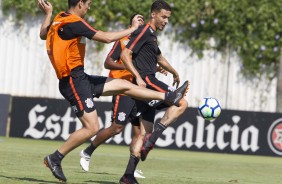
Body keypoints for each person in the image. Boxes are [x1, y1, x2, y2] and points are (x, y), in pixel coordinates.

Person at [37, 0, 189, 182]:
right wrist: (133, 29)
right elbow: (107, 38)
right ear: (79, 4)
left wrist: (48, 14)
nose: (89, 8)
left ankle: (167, 96)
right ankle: (56, 157)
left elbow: (43, 35)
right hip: (73, 81)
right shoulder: (74, 22)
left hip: (81, 77)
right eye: (88, 4)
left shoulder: (59, 18)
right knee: (92, 127)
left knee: (124, 86)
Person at [120, 0, 189, 183]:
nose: (166, 21)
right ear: (153, 14)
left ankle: (128, 176)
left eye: (168, 18)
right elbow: (125, 55)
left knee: (143, 134)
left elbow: (159, 57)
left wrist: (174, 71)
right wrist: (138, 77)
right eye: (164, 17)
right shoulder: (143, 31)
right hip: (148, 82)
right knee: (181, 102)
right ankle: (153, 140)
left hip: (145, 88)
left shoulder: (151, 35)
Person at [79, 14, 146, 178]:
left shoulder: (143, 43)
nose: (141, 21)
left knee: (139, 133)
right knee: (117, 127)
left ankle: (131, 168)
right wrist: (126, 66)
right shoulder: (123, 40)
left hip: (138, 90)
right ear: (131, 23)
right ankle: (87, 152)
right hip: (122, 89)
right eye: (138, 19)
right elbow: (108, 62)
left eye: (143, 20)